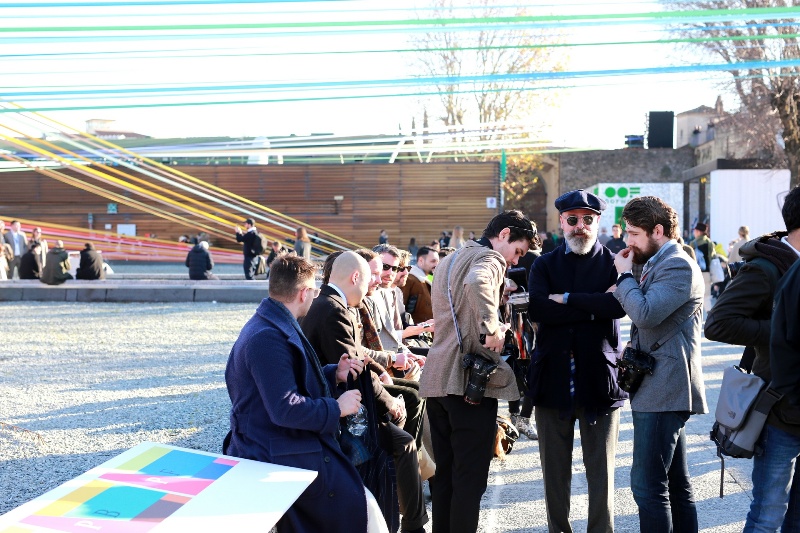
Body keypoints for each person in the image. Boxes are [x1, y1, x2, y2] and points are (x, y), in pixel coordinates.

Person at [223, 254, 379, 533]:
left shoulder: (271, 323)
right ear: (304, 293)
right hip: (272, 451)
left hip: (279, 442)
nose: (316, 296)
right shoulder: (267, 337)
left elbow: (289, 380)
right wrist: (337, 408)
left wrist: (333, 373)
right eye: (315, 291)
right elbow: (285, 408)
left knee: (364, 505)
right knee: (361, 508)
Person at [419, 210, 536, 533]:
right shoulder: (490, 258)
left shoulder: (449, 259)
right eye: (517, 251)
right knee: (469, 480)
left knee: (445, 476)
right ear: (504, 234)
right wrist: (492, 326)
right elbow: (477, 281)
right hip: (468, 381)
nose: (514, 260)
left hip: (437, 378)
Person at [300, 251, 428, 533]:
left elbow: (357, 358)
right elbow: (354, 370)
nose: (373, 284)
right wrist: (389, 403)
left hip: (340, 400)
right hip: (338, 411)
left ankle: (408, 519)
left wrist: (381, 375)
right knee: (403, 441)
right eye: (369, 277)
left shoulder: (331, 304)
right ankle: (407, 523)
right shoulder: (334, 310)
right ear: (355, 276)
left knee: (404, 430)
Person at [526, 190, 627, 533]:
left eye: (587, 220)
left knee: (602, 473)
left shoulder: (614, 263)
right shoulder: (544, 264)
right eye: (573, 220)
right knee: (554, 473)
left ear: (598, 223)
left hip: (600, 381)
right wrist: (594, 306)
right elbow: (539, 310)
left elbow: (618, 307)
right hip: (552, 380)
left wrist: (566, 300)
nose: (580, 226)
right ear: (562, 223)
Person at [705, 185, 800, 531]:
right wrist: (783, 329)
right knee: (768, 513)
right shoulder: (766, 267)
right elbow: (718, 323)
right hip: (778, 405)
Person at [613, 196, 708, 532]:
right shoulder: (659, 260)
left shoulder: (678, 264)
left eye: (634, 234)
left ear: (658, 230)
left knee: (646, 485)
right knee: (676, 484)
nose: (628, 241)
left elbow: (645, 313)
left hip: (665, 388)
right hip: (662, 387)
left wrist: (624, 277)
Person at [765, 244, 800, 533]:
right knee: (768, 514)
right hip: (788, 411)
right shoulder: (795, 275)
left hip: (789, 404)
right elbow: (783, 343)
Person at [400, 246, 439, 326]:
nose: (436, 265)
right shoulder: (409, 279)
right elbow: (400, 310)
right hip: (415, 331)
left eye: (437, 262)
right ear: (421, 260)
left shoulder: (425, 279)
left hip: (426, 331)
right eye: (433, 261)